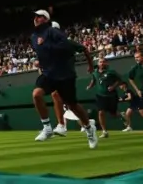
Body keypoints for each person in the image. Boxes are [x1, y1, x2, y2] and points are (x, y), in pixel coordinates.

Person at [30, 9, 98, 148]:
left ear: (46, 20)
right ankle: (47, 127)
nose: (36, 18)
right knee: (37, 94)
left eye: (40, 16)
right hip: (49, 74)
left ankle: (89, 129)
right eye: (35, 16)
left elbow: (65, 47)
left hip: (65, 75)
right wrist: (40, 62)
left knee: (73, 106)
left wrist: (47, 48)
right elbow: (42, 54)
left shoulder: (53, 32)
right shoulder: (33, 37)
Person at [86, 58, 122, 138]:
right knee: (101, 112)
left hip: (112, 96)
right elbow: (93, 80)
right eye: (100, 62)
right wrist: (89, 86)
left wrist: (113, 86)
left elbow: (119, 80)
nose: (102, 63)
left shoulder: (111, 71)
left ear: (107, 63)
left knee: (113, 114)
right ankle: (104, 131)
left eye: (104, 62)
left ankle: (121, 115)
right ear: (98, 63)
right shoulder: (95, 72)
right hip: (100, 96)